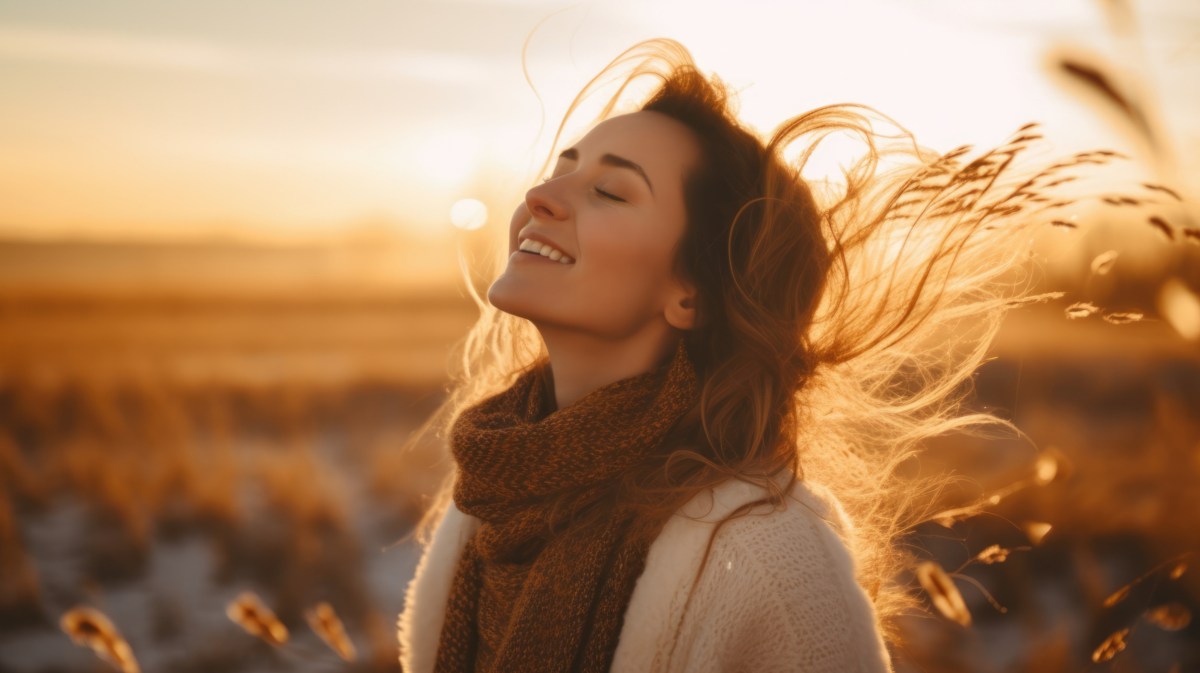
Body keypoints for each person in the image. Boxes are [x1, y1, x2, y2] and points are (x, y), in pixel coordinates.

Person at [396, 37, 1119, 672]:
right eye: (564, 167)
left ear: (691, 294)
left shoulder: (769, 556)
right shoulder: (489, 498)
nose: (542, 195)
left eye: (610, 191)